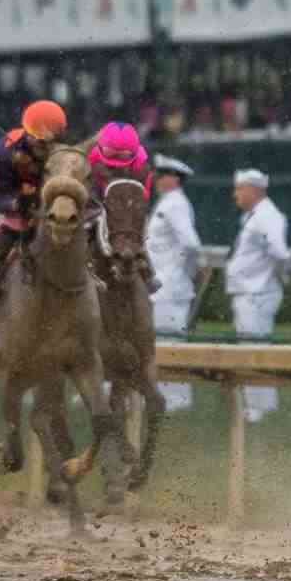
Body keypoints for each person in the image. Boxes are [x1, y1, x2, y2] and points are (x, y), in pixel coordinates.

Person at [0, 100, 68, 297]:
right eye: (39, 142)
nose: (44, 149)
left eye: (49, 143)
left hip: (55, 207)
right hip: (19, 207)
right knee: (12, 227)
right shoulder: (5, 153)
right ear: (28, 133)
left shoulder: (63, 152)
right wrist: (17, 203)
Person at [227, 168, 289, 422]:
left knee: (255, 349)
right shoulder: (255, 216)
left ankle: (260, 408)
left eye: (240, 188)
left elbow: (279, 253)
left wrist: (270, 280)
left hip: (257, 293)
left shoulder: (267, 216)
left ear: (254, 189)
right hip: (250, 292)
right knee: (249, 347)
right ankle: (256, 405)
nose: (236, 195)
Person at [145, 154, 201, 412]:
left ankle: (177, 400)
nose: (157, 179)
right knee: (161, 342)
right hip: (162, 286)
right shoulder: (167, 202)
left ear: (174, 179)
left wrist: (182, 274)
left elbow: (190, 244)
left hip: (170, 286)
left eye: (162, 175)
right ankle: (166, 397)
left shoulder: (175, 204)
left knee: (171, 343)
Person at [86, 121, 158, 290]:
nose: (116, 161)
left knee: (134, 221)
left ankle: (146, 266)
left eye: (122, 156)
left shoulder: (141, 164)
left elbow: (143, 196)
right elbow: (88, 189)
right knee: (88, 222)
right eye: (112, 155)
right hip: (97, 199)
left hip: (126, 203)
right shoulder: (91, 159)